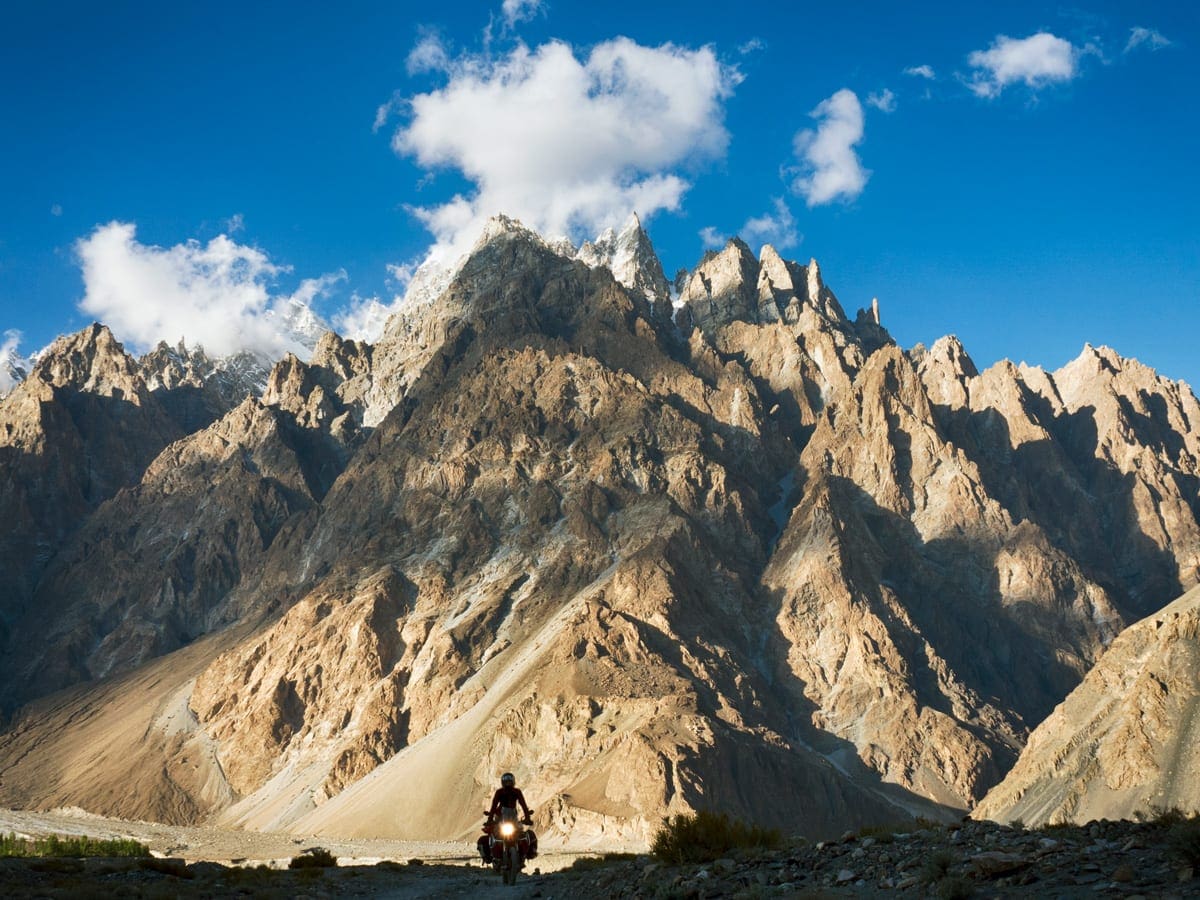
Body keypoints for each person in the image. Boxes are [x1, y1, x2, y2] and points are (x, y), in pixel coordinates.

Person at [477, 772, 538, 863]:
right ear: (503, 782)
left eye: (509, 782)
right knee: (493, 835)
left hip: (513, 819)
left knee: (525, 834)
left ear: (513, 782)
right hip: (501, 819)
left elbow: (523, 805)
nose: (508, 784)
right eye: (506, 782)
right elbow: (494, 806)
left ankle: (527, 854)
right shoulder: (499, 792)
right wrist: (490, 820)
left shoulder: (517, 792)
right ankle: (493, 856)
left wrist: (527, 818)